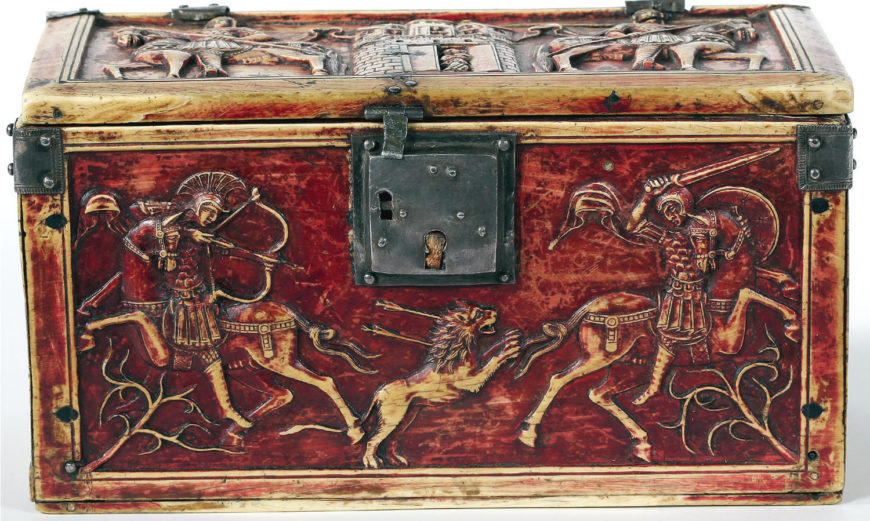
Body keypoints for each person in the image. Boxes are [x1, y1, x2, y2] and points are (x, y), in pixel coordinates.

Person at [626, 177, 731, 405]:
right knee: (669, 338)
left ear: (685, 206)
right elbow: (632, 225)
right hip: (678, 295)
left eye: (674, 208)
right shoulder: (667, 235)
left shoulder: (701, 230)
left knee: (703, 337)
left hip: (699, 293)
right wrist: (647, 196)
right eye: (666, 211)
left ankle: (706, 380)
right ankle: (654, 387)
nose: (671, 215)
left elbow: (709, 263)